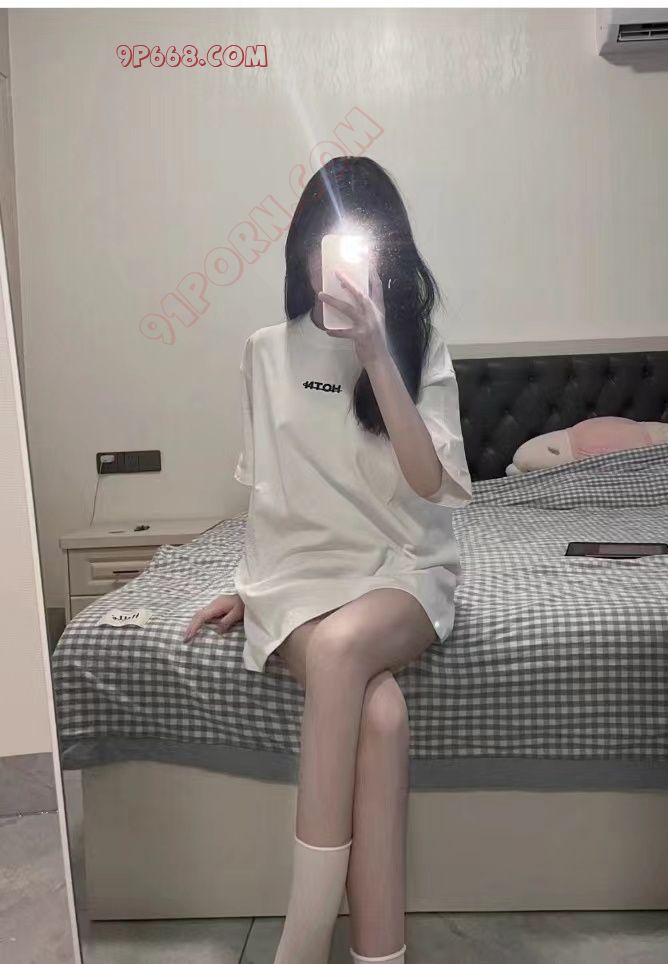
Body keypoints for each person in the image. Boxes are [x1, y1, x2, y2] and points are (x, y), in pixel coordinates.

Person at [185, 156, 472, 964]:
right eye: (326, 239)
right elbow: (269, 494)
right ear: (303, 250)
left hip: (402, 570)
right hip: (298, 580)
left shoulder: (419, 347)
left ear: (387, 254)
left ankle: (302, 938)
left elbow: (429, 483)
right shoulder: (264, 352)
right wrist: (247, 588)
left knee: (344, 649)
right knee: (381, 717)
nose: (337, 261)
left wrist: (378, 355)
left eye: (358, 242)